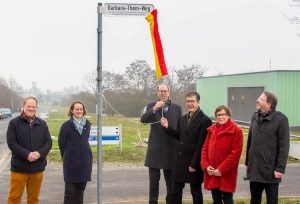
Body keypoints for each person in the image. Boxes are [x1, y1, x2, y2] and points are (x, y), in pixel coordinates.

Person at [161, 91, 212, 204]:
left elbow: (201, 144)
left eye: (192, 101)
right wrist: (167, 127)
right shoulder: (184, 118)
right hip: (180, 161)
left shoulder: (205, 120)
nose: (190, 104)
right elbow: (180, 136)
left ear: (198, 102)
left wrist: (194, 164)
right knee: (176, 191)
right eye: (188, 101)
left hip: (193, 162)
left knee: (196, 192)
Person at [140, 84, 182, 204]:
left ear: (169, 92)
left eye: (165, 91)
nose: (162, 93)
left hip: (171, 149)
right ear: (157, 93)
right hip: (155, 149)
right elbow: (143, 120)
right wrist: (154, 109)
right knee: (153, 182)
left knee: (171, 182)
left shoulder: (177, 108)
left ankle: (170, 201)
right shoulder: (151, 105)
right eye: (160, 91)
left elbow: (179, 128)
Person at [245, 91, 290, 204]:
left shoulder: (281, 120)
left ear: (269, 104)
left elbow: (284, 146)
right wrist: (248, 163)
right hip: (255, 168)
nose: (257, 100)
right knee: (254, 200)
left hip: (271, 169)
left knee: (272, 200)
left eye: (260, 99)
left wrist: (280, 168)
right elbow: (250, 141)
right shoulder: (254, 117)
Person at [6, 96, 52, 204]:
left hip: (37, 168)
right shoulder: (14, 123)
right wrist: (27, 155)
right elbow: (12, 143)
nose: (31, 109)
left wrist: (39, 153)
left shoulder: (42, 124)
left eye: (33, 107)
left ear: (36, 108)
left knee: (33, 199)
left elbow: (48, 142)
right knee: (14, 198)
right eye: (29, 106)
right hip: (19, 168)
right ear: (23, 107)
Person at [201, 105, 243, 204]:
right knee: (216, 200)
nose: (220, 117)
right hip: (212, 172)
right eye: (218, 115)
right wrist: (206, 166)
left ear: (228, 115)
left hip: (227, 173)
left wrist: (221, 169)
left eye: (223, 114)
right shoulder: (211, 130)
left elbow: (235, 153)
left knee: (228, 200)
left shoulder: (236, 130)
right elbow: (205, 149)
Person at [58, 101, 93, 204]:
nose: (79, 111)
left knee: (80, 191)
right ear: (72, 111)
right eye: (76, 109)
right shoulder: (66, 126)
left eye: (81, 109)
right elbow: (61, 144)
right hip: (71, 163)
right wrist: (67, 157)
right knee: (70, 192)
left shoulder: (87, 124)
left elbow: (85, 140)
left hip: (85, 162)